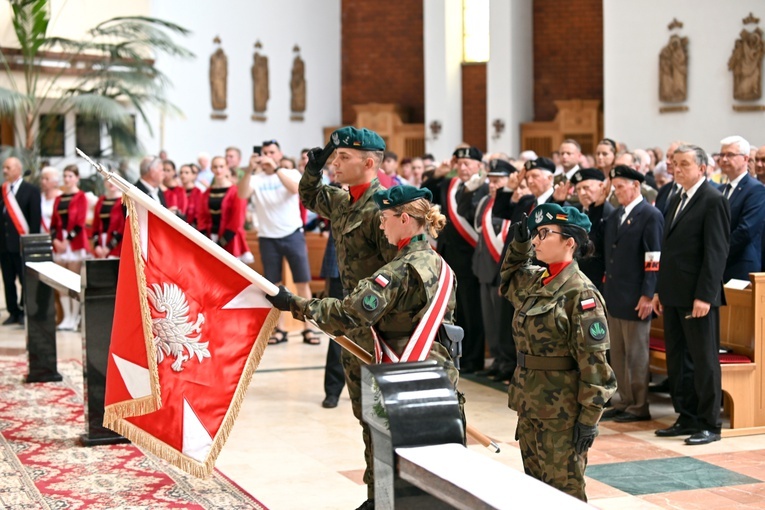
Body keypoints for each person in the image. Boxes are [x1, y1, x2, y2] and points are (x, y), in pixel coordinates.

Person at [266, 183, 461, 447]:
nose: (381, 226)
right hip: (439, 375)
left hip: (399, 377)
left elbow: (348, 315)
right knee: (434, 464)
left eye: (384, 218)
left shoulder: (396, 272)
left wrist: (293, 303)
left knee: (387, 470)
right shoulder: (442, 266)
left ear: (404, 219)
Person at [298, 126, 398, 510]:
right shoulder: (343, 201)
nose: (334, 164)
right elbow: (310, 195)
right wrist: (315, 167)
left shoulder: (385, 209)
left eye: (342, 158)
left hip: (382, 328)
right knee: (367, 416)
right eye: (334, 158)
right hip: (354, 326)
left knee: (386, 420)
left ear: (369, 163)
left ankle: (391, 497)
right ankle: (378, 495)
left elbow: (399, 273)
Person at [499, 202, 616, 502]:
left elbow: (595, 367)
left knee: (565, 495)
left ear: (569, 242)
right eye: (535, 234)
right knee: (535, 491)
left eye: (544, 234)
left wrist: (589, 419)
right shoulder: (537, 281)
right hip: (530, 404)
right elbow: (508, 278)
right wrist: (520, 243)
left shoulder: (582, 294)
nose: (536, 240)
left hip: (562, 414)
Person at [652, 144, 730, 445]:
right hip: (672, 292)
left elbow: (716, 252)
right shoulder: (675, 196)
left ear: (702, 168)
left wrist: (706, 296)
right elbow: (668, 250)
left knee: (703, 359)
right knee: (678, 360)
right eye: (675, 163)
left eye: (685, 164)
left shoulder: (713, 199)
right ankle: (686, 416)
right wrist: (659, 289)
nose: (678, 168)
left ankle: (710, 422)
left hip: (697, 295)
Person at [237, 139, 319, 345]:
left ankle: (308, 328)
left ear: (279, 154)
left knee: (302, 282)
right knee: (273, 286)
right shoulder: (256, 178)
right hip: (268, 238)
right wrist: (249, 169)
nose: (267, 156)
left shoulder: (290, 173)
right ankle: (279, 329)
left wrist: (276, 169)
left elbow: (295, 190)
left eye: (271, 152)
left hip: (292, 235)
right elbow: (241, 194)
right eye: (264, 152)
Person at [601, 165, 664, 423]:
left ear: (635, 186)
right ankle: (624, 399)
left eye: (620, 187)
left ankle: (639, 404)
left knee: (636, 353)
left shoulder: (650, 214)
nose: (616, 192)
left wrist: (648, 293)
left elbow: (653, 257)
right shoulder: (617, 214)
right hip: (616, 294)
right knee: (618, 352)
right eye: (614, 187)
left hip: (637, 295)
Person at [421, 147, 487, 373]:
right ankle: (457, 354)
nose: (463, 167)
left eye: (468, 163)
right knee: (455, 311)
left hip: (470, 258)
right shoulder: (450, 185)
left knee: (471, 309)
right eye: (460, 163)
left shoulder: (484, 188)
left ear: (479, 165)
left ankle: (473, 358)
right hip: (449, 256)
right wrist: (438, 174)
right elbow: (423, 194)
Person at [460, 158, 516, 381]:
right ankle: (496, 360)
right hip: (484, 268)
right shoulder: (484, 202)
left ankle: (508, 362)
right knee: (490, 321)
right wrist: (467, 192)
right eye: (491, 181)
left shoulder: (511, 203)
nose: (493, 185)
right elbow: (466, 214)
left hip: (501, 269)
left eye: (498, 181)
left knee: (503, 323)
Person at [717, 136, 765, 282]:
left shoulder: (755, 190)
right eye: (722, 155)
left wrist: (716, 251)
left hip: (740, 265)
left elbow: (745, 231)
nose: (724, 159)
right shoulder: (721, 190)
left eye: (730, 155)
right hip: (719, 266)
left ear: (745, 159)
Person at [0, 157, 42, 325]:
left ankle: (26, 311)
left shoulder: (31, 190)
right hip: (4, 245)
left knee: (25, 280)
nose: (4, 171)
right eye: (3, 168)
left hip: (22, 244)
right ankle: (13, 312)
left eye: (8, 167)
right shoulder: (2, 191)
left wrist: (31, 243)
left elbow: (34, 219)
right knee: (8, 281)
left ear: (18, 169)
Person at [559, 168, 613, 290]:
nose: (582, 193)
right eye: (578, 189)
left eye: (586, 187)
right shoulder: (574, 211)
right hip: (571, 281)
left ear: (601, 186)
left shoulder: (610, 214)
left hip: (597, 283)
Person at [50, 165, 89, 330]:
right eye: (65, 176)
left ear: (77, 178)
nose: (67, 179)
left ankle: (75, 317)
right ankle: (66, 317)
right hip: (59, 243)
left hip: (74, 242)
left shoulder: (81, 197)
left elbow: (80, 223)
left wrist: (67, 240)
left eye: (70, 176)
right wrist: (56, 241)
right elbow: (53, 223)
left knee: (73, 281)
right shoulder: (59, 199)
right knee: (61, 282)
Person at [197, 156, 253, 263]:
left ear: (226, 167)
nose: (218, 170)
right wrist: (205, 236)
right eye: (215, 167)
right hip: (210, 237)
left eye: (221, 166)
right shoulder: (207, 193)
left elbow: (237, 220)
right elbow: (202, 215)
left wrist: (222, 241)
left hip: (230, 238)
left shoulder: (236, 192)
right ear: (211, 169)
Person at [92, 178, 123, 258]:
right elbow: (95, 224)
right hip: (101, 242)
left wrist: (109, 246)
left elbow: (123, 227)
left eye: (114, 180)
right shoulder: (101, 200)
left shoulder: (123, 201)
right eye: (108, 180)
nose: (111, 183)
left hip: (117, 244)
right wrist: (96, 245)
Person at [179, 163, 203, 228]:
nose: (183, 175)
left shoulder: (198, 192)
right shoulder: (177, 191)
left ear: (193, 175)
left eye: (186, 173)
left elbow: (199, 213)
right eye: (181, 173)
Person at [39, 165, 62, 234]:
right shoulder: (39, 198)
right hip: (41, 237)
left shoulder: (61, 198)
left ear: (55, 182)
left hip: (57, 238)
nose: (43, 182)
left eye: (47, 179)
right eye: (42, 178)